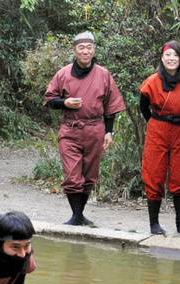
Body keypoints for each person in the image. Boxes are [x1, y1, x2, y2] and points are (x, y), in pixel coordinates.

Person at [43, 32, 126, 226]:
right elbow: (49, 100)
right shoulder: (63, 74)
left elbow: (111, 106)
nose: (85, 51)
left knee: (89, 176)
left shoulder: (103, 74)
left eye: (89, 47)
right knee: (72, 175)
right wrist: (65, 103)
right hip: (70, 129)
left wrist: (109, 131)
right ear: (74, 50)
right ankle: (76, 215)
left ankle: (79, 215)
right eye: (81, 47)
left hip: (95, 129)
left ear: (94, 49)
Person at [139, 40, 180, 235]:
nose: (172, 59)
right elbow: (143, 105)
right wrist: (156, 121)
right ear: (162, 58)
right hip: (158, 129)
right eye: (168, 55)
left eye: (175, 55)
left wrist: (176, 118)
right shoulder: (152, 81)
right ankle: (153, 223)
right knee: (154, 173)